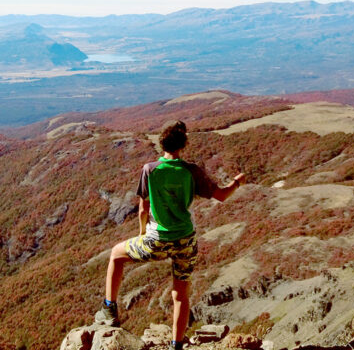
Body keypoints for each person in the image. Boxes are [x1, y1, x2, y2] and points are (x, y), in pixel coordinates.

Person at [96, 120, 244, 349]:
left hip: (157, 239)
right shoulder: (191, 171)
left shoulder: (150, 170)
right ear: (182, 145)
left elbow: (143, 209)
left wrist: (143, 233)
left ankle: (109, 310)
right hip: (186, 240)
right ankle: (176, 344)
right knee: (180, 294)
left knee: (116, 255)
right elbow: (222, 195)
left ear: (161, 143)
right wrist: (237, 182)